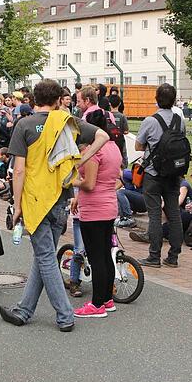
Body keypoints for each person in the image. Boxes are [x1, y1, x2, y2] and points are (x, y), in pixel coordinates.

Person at [0, 80, 109, 331]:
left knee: (46, 257)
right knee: (44, 256)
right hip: (61, 198)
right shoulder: (66, 121)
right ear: (59, 100)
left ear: (33, 100)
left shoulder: (24, 125)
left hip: (36, 200)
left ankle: (65, 315)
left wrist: (17, 204)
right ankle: (24, 310)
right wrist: (80, 161)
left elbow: (19, 170)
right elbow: (102, 136)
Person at [72, 109, 124, 319]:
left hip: (94, 209)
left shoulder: (95, 151)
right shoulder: (113, 147)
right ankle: (107, 299)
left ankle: (96, 304)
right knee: (105, 254)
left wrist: (71, 181)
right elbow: (113, 178)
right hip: (108, 205)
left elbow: (90, 184)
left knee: (96, 258)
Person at [135, 83, 185, 268]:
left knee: (154, 215)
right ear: (174, 100)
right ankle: (173, 256)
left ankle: (154, 256)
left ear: (156, 99)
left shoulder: (150, 121)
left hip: (153, 173)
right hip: (174, 173)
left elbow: (138, 146)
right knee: (174, 214)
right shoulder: (180, 120)